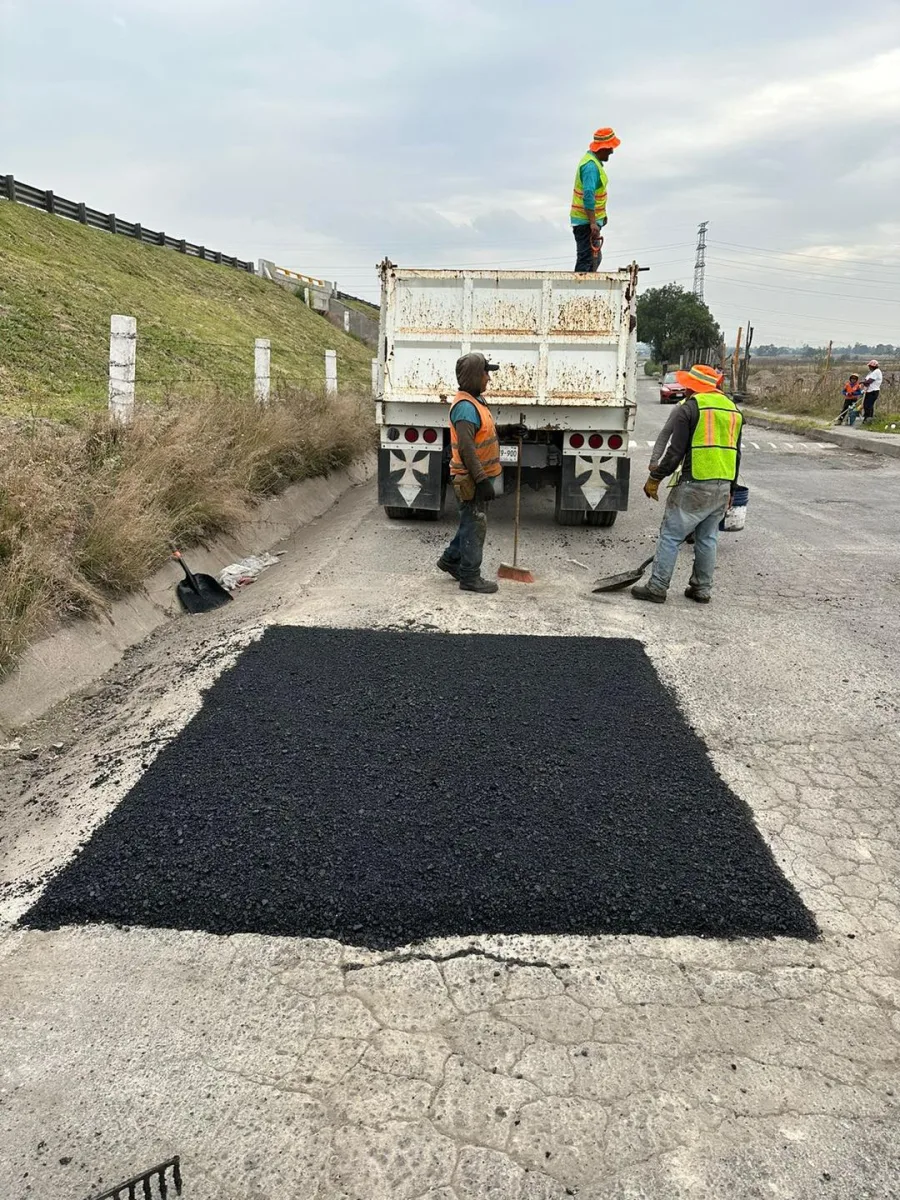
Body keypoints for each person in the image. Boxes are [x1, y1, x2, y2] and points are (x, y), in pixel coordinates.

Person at [632, 363, 743, 605]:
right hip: (722, 485)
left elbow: (675, 452)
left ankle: (657, 587)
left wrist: (655, 477)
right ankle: (701, 589)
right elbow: (736, 453)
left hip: (695, 483)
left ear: (693, 386)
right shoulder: (734, 410)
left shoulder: (690, 408)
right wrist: (732, 490)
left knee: (671, 535)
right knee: (707, 538)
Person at [436, 352, 527, 595]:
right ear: (475, 376)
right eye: (486, 373)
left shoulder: (475, 401)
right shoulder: (465, 407)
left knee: (469, 522)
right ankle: (470, 577)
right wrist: (482, 480)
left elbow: (485, 432)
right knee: (475, 525)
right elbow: (467, 449)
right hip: (470, 478)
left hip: (477, 476)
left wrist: (508, 430)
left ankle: (450, 560)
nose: (489, 378)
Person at [570, 127, 620, 273]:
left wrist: (600, 217)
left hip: (589, 221)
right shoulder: (591, 167)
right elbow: (589, 195)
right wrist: (593, 222)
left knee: (593, 259)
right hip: (586, 222)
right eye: (610, 147)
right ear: (603, 148)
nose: (612, 151)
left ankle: (583, 291)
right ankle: (579, 292)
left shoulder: (593, 163)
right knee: (587, 260)